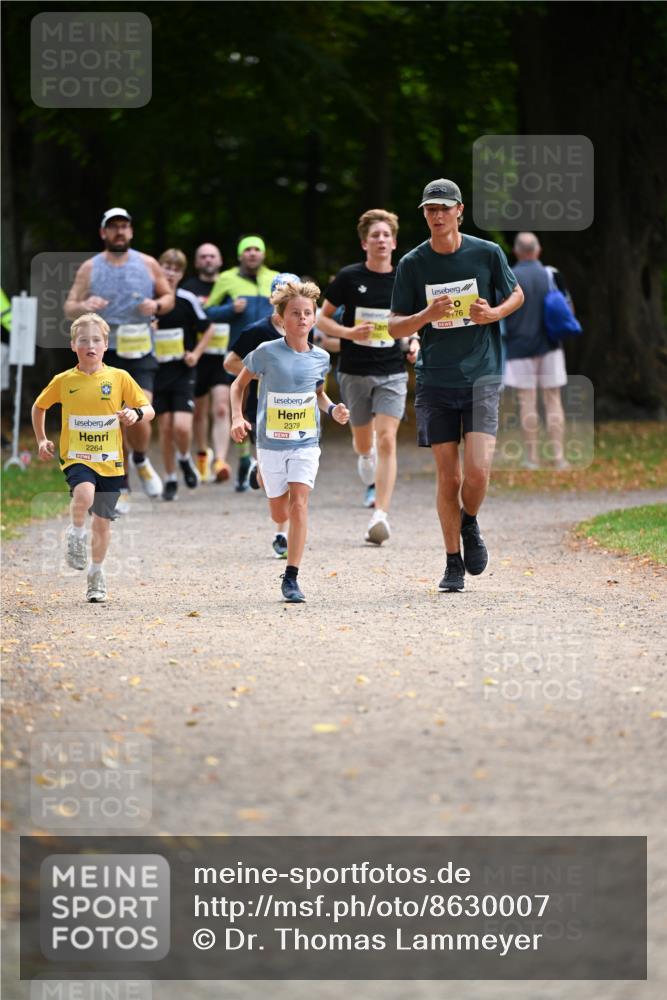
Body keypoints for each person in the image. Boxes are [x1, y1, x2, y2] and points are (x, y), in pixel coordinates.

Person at [389, 178, 524, 592]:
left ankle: (469, 522)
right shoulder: (413, 263)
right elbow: (395, 326)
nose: (437, 215)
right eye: (431, 209)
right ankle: (452, 563)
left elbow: (516, 294)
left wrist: (494, 313)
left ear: (460, 210)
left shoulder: (487, 253)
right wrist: (426, 315)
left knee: (478, 472)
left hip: (481, 375)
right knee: (448, 479)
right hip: (435, 379)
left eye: (444, 208)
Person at [230, 280, 349, 603]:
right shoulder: (266, 353)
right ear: (282, 318)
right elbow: (238, 386)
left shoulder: (321, 358)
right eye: (295, 313)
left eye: (307, 313)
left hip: (306, 442)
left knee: (299, 503)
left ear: (313, 318)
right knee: (278, 510)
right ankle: (260, 471)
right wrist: (237, 418)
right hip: (270, 443)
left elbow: (318, 394)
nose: (302, 318)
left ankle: (292, 576)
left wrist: (333, 409)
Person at [31, 313, 154, 602]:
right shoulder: (64, 380)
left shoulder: (119, 377)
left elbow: (148, 409)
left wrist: (134, 414)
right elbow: (39, 407)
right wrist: (41, 439)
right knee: (83, 494)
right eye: (84, 340)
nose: (91, 344)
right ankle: (75, 534)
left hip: (111, 460)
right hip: (77, 456)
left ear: (106, 344)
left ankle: (96, 575)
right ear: (73, 345)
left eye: (96, 340)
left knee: (102, 521)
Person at [318, 209, 418, 544]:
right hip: (354, 371)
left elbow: (413, 321)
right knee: (364, 442)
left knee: (387, 438)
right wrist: (348, 333)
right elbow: (321, 319)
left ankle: (380, 514)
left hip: (391, 370)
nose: (380, 240)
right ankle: (365, 457)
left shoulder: (404, 278)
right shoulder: (349, 277)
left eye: (386, 235)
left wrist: (413, 342)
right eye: (374, 235)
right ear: (365, 243)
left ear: (394, 242)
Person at [64, 208, 173, 510]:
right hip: (105, 352)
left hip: (141, 351)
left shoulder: (147, 263)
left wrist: (156, 304)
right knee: (114, 420)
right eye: (113, 228)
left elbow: (168, 297)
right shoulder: (90, 267)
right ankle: (121, 480)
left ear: (131, 232)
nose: (120, 232)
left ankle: (140, 459)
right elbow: (69, 305)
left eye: (124, 226)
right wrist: (85, 304)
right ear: (103, 233)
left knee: (139, 410)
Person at [224, 272, 301, 558]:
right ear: (273, 299)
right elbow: (230, 363)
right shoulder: (257, 331)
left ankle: (281, 534)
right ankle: (260, 472)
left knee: (294, 475)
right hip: (264, 413)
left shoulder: (305, 327)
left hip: (298, 415)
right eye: (283, 294)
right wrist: (261, 376)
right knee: (274, 478)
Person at [205, 235, 279, 491]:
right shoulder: (227, 278)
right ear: (240, 255)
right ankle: (245, 459)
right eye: (246, 249)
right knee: (239, 408)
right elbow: (206, 311)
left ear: (263, 254)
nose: (252, 253)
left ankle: (257, 462)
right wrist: (229, 310)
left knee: (261, 410)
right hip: (239, 353)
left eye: (256, 249)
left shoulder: (275, 278)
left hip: (271, 355)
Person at [503, 233, 570, 469]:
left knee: (527, 402)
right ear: (538, 250)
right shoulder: (551, 275)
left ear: (517, 251)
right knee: (553, 400)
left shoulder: (509, 277)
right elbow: (566, 306)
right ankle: (559, 457)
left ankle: (532, 458)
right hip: (550, 345)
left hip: (518, 347)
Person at [155, 249, 215, 501]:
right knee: (165, 428)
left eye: (176, 269)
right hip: (156, 372)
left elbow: (209, 328)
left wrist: (196, 354)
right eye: (166, 267)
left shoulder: (187, 299)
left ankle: (184, 458)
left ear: (181, 274)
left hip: (183, 371)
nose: (170, 273)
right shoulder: (149, 301)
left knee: (181, 426)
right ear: (158, 270)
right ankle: (170, 478)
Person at [181, 243, 233, 483]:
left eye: (212, 256)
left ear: (220, 260)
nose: (208, 260)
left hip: (222, 356)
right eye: (203, 256)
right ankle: (202, 453)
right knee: (199, 412)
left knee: (222, 407)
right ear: (196, 262)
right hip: (197, 356)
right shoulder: (188, 289)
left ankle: (220, 460)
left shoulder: (229, 285)